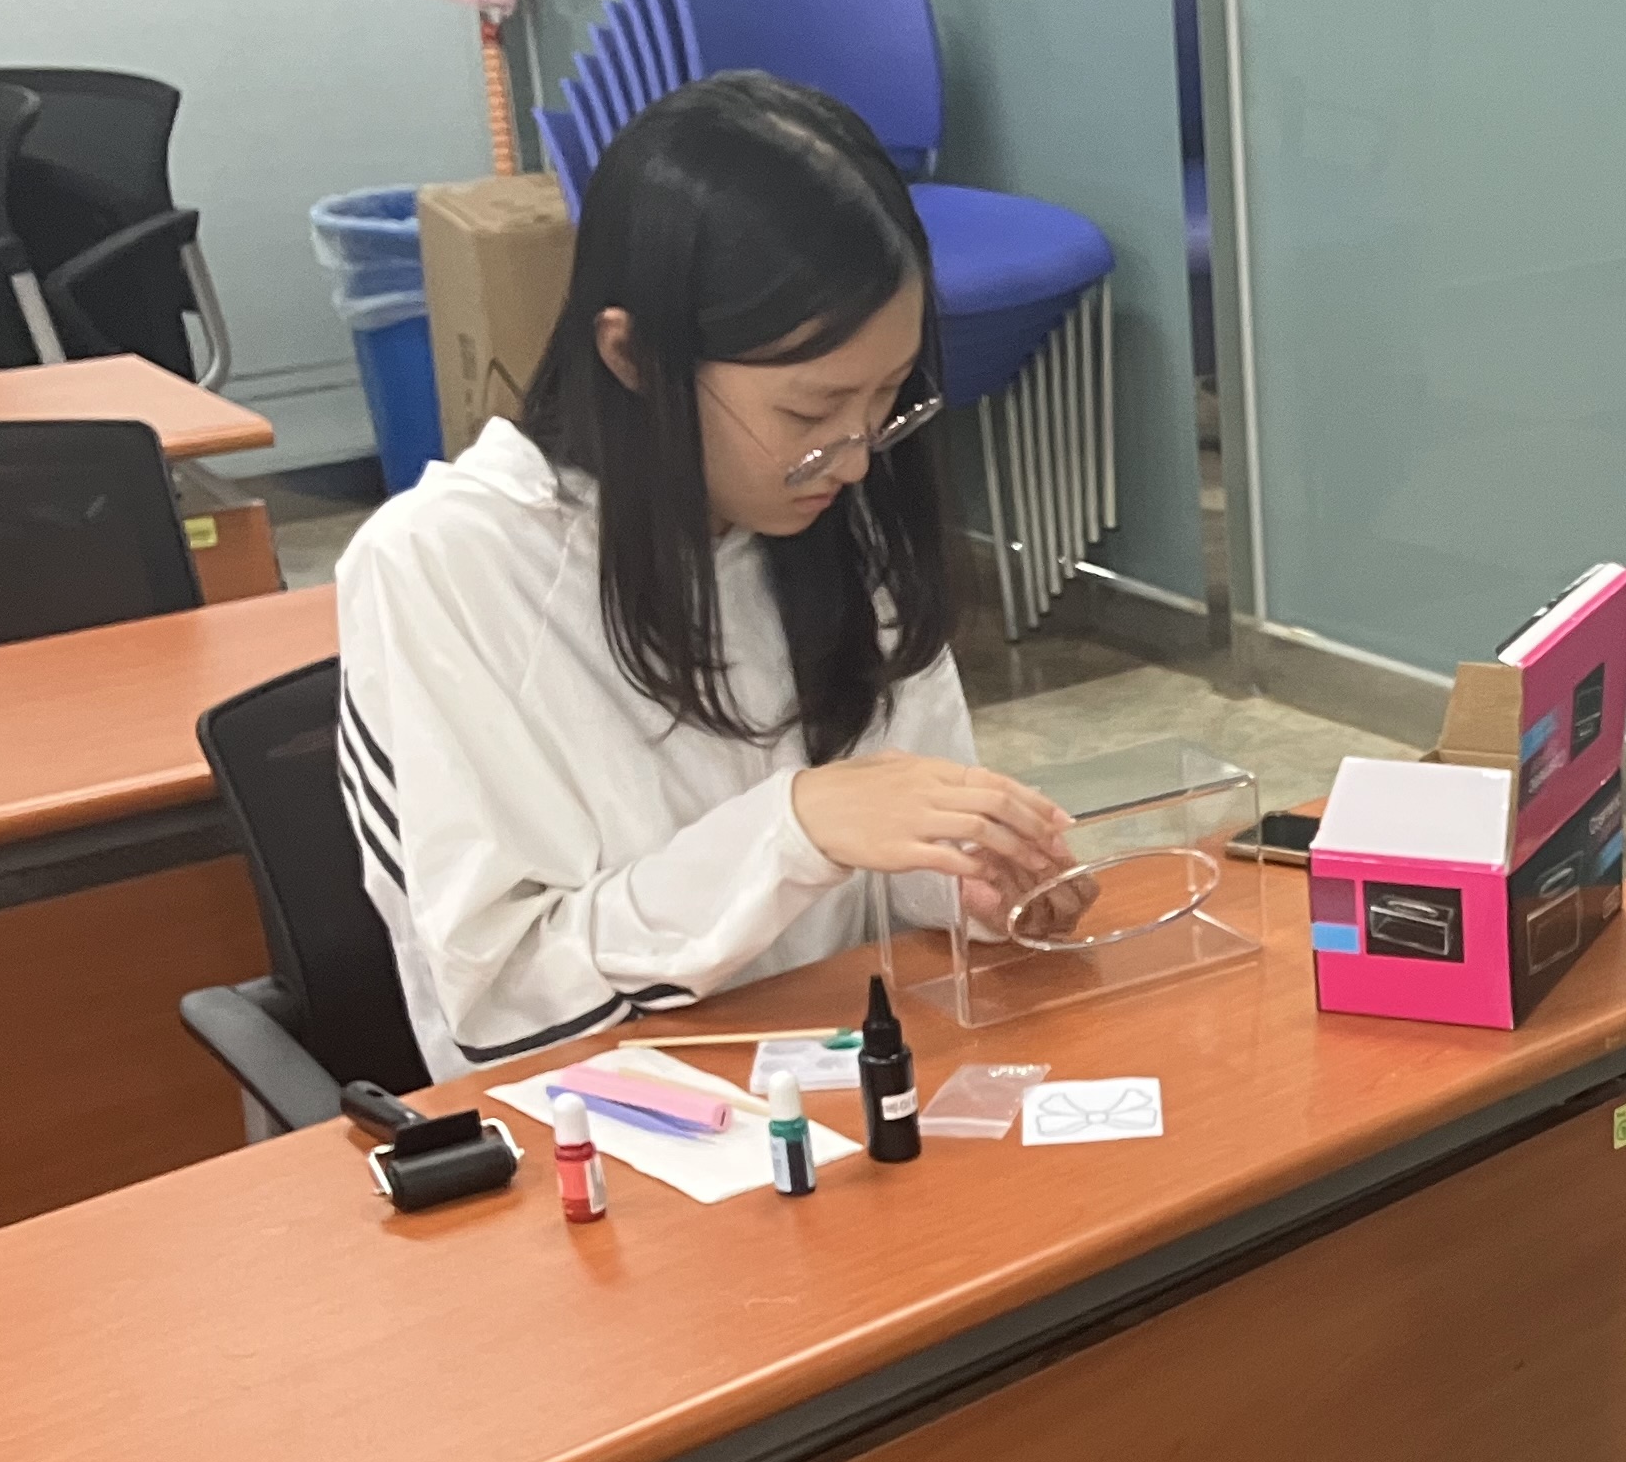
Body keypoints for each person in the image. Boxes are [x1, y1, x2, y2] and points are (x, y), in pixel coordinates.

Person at [336, 72, 1077, 1079]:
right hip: (604, 1125)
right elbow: (502, 1004)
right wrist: (794, 831)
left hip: (848, 1078)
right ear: (634, 356)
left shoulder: (827, 503)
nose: (857, 457)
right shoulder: (446, 566)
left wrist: (972, 879)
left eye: (888, 398)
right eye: (809, 412)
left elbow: (886, 854)